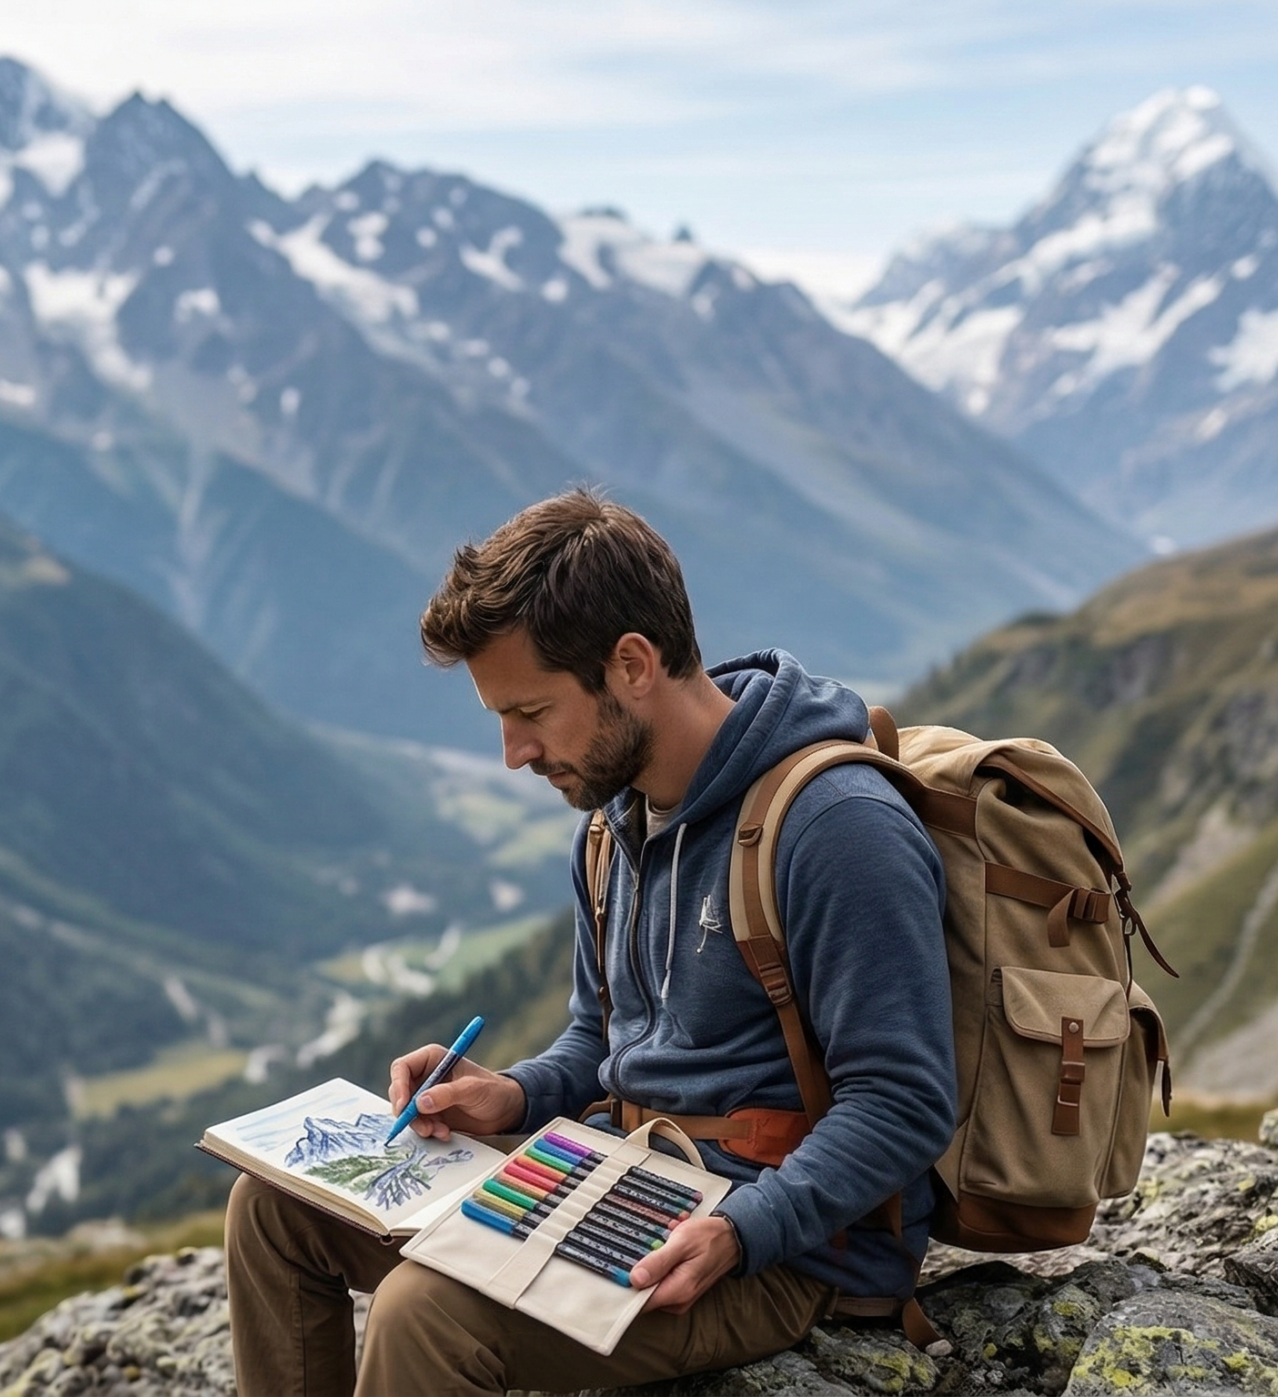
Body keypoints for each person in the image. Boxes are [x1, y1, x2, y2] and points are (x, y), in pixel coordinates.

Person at [225, 489, 955, 1396]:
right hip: (613, 1177)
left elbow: (904, 1099)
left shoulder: (835, 827)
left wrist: (745, 1230)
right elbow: (601, 1040)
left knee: (425, 1315)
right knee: (273, 1209)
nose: (512, 752)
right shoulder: (614, 823)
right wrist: (510, 1094)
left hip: (777, 1249)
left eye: (529, 711)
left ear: (633, 664)